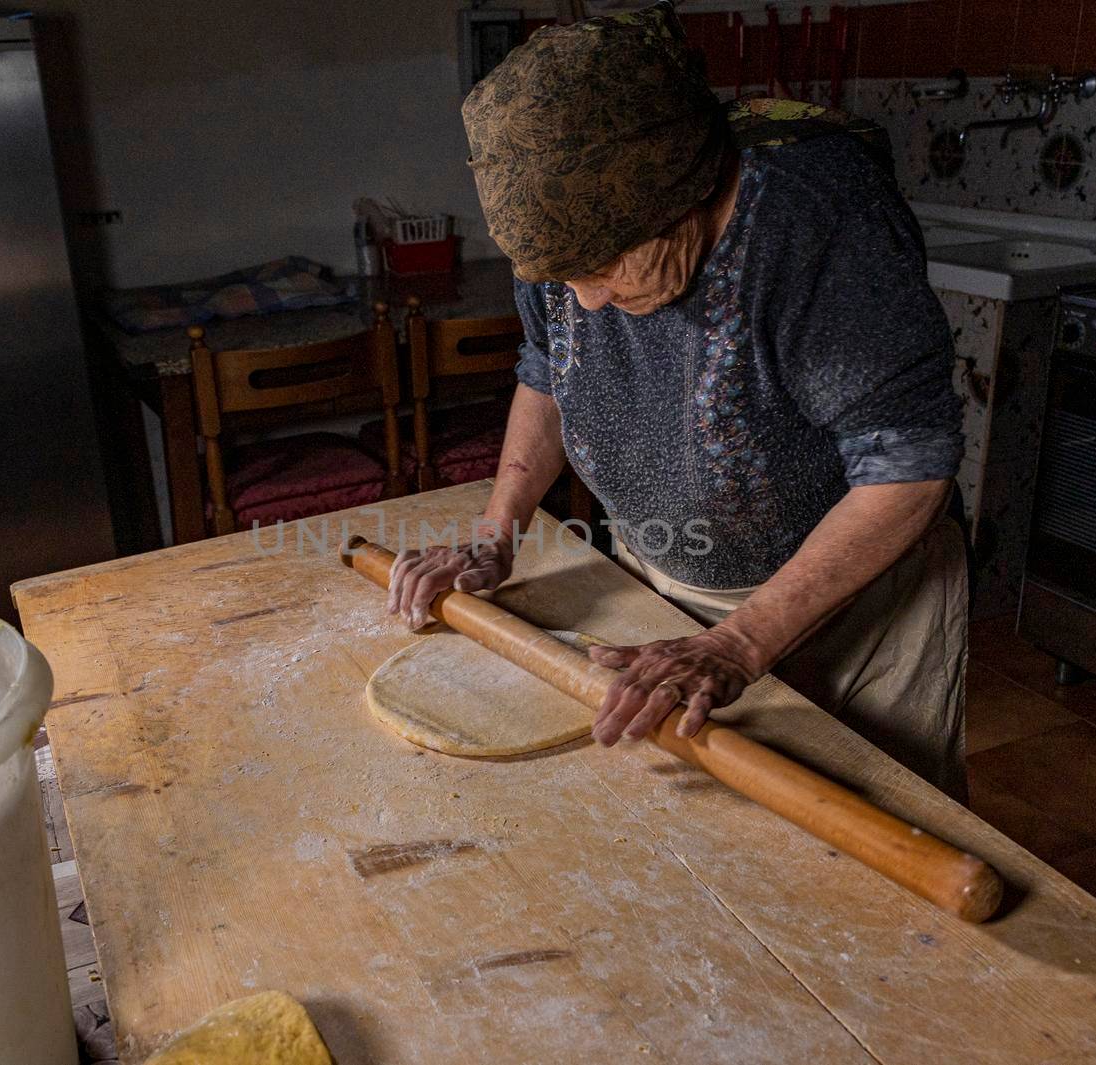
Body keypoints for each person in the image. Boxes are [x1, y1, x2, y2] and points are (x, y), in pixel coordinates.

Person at [387, 2, 969, 800]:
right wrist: (495, 537)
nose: (584, 302)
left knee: (868, 850)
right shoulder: (569, 256)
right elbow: (547, 374)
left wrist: (739, 643)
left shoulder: (820, 227)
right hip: (659, 587)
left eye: (604, 268)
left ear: (689, 193)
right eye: (563, 279)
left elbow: (906, 468)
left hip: (858, 612)